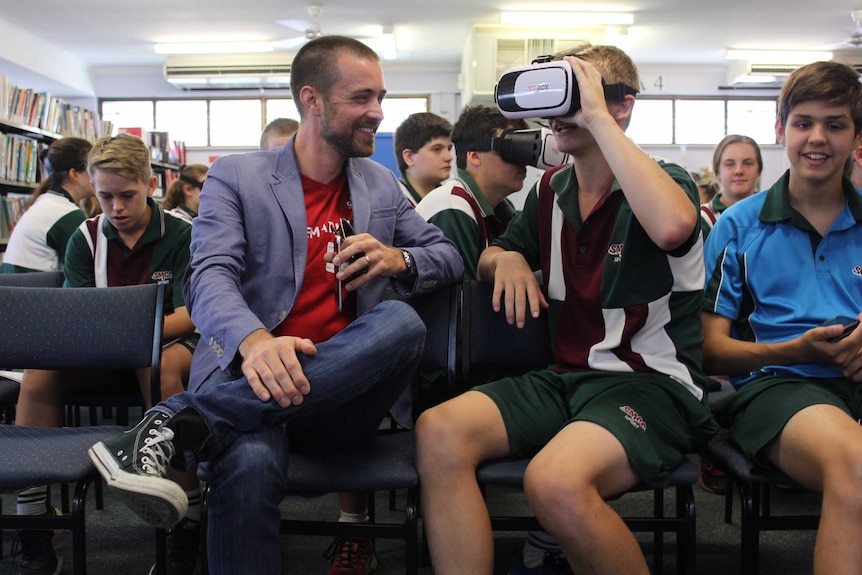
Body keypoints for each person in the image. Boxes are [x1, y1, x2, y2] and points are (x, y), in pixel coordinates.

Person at [88, 35, 463, 575]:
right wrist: (254, 341)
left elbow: (447, 255)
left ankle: (182, 422)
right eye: (361, 97)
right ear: (312, 101)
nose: (378, 112)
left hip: (341, 399)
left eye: (381, 96)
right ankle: (208, 420)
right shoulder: (237, 176)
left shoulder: (380, 185)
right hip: (254, 379)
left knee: (402, 321)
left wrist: (398, 259)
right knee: (249, 459)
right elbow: (210, 277)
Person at [416, 44, 719, 575]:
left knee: (552, 482)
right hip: (566, 378)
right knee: (439, 431)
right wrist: (503, 259)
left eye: (578, 93)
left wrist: (597, 117)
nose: (561, 112)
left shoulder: (665, 180)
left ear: (622, 105)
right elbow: (494, 251)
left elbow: (672, 228)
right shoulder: (551, 189)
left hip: (651, 385)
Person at [12, 133, 202, 575]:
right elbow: (79, 314)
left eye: (127, 196)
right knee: (38, 374)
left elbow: (190, 314)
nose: (115, 207)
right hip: (100, 348)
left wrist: (128, 332)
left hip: (165, 346)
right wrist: (118, 332)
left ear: (150, 184)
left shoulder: (183, 234)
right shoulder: (85, 236)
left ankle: (187, 516)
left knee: (158, 367)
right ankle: (33, 520)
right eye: (105, 196)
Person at [702, 60, 862, 575]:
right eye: (803, 123)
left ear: (855, 136)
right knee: (855, 466)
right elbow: (706, 350)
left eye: (835, 124)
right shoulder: (738, 225)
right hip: (775, 389)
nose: (818, 138)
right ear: (782, 130)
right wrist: (796, 350)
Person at [416, 105, 528, 280]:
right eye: (512, 149)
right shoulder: (452, 208)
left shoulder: (501, 210)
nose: (523, 161)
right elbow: (461, 302)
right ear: (474, 156)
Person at [0, 137, 94, 274]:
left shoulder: (45, 203)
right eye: (92, 169)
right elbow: (86, 271)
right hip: (36, 292)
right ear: (74, 174)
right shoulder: (68, 215)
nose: (97, 176)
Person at [699, 134, 763, 236]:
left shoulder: (772, 217)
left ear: (759, 170)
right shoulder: (703, 219)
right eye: (730, 164)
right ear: (717, 171)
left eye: (747, 163)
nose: (739, 171)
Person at [393, 112, 453, 206]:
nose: (449, 157)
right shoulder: (391, 206)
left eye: (449, 149)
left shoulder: (453, 202)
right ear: (409, 157)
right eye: (437, 149)